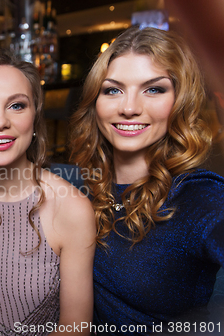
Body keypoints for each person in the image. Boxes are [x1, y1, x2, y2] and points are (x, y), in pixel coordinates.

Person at [68, 26, 224, 335]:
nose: (129, 108)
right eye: (113, 89)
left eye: (154, 89)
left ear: (181, 101)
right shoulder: (83, 186)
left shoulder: (197, 198)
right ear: (94, 102)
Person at [0, 50, 95, 336]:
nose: (0, 122)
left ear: (34, 117)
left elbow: (75, 330)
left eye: (16, 106)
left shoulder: (72, 209)